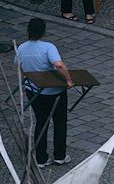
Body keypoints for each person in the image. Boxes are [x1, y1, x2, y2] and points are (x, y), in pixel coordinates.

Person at [15, 18, 73, 167]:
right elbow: (58, 65)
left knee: (41, 121)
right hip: (54, 92)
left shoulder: (21, 48)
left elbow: (20, 67)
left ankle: (41, 158)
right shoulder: (48, 47)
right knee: (60, 122)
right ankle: (59, 155)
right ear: (43, 31)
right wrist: (68, 80)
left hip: (34, 91)